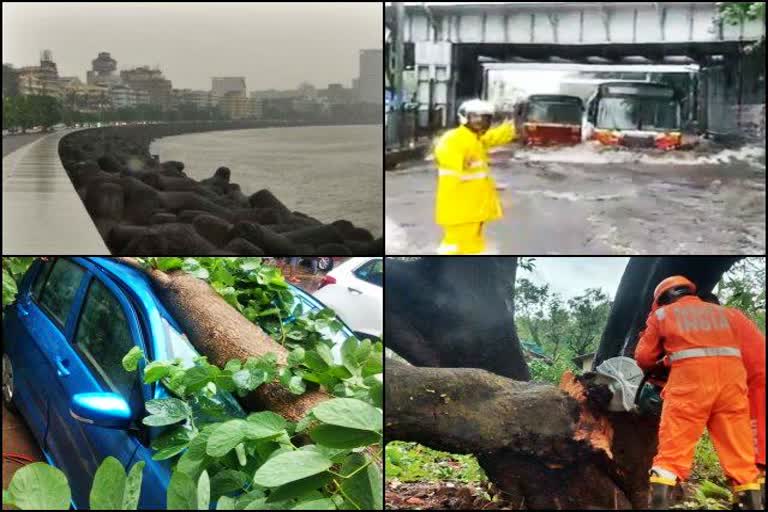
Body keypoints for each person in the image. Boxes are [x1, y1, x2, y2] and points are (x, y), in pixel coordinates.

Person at [635, 276, 761, 510]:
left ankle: (660, 504)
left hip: (689, 388)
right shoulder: (729, 314)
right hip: (732, 389)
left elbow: (643, 358)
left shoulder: (662, 315)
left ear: (662, 300)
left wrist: (666, 361)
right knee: (741, 459)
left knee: (671, 457)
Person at [700, 291, 766, 507]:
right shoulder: (731, 317)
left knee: (754, 454)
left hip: (757, 386)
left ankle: (753, 502)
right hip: (748, 386)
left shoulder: (713, 320)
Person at [433, 99, 516, 255]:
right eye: (475, 117)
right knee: (455, 247)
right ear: (465, 117)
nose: (480, 122)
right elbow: (444, 152)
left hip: (471, 209)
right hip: (460, 210)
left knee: (472, 247)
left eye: (484, 118)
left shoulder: (474, 138)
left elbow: (492, 138)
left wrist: (512, 127)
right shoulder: (456, 138)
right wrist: (460, 160)